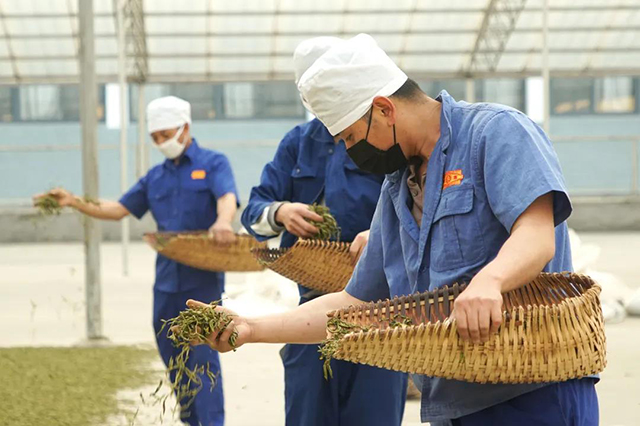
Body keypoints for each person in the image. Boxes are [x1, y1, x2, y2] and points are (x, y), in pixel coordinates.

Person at [188, 33, 599, 426]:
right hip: (455, 401)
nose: (351, 152)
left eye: (351, 137)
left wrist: (490, 281)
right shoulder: (398, 188)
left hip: (530, 393)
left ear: (385, 109)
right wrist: (251, 327)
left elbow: (537, 233)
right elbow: (353, 303)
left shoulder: (494, 133)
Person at [34, 96, 238, 426]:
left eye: (165, 134)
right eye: (155, 137)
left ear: (185, 128)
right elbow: (117, 209)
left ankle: (211, 423)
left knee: (201, 358)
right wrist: (73, 200)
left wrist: (223, 221)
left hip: (202, 280)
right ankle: (191, 420)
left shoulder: (213, 163)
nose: (161, 143)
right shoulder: (155, 177)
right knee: (172, 353)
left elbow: (227, 197)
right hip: (166, 282)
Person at [240, 36, 408, 426]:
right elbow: (253, 211)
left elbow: (410, 204)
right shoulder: (298, 145)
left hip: (379, 315)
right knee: (307, 412)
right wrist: (280, 212)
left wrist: (379, 234)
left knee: (375, 413)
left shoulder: (380, 135)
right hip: (310, 309)